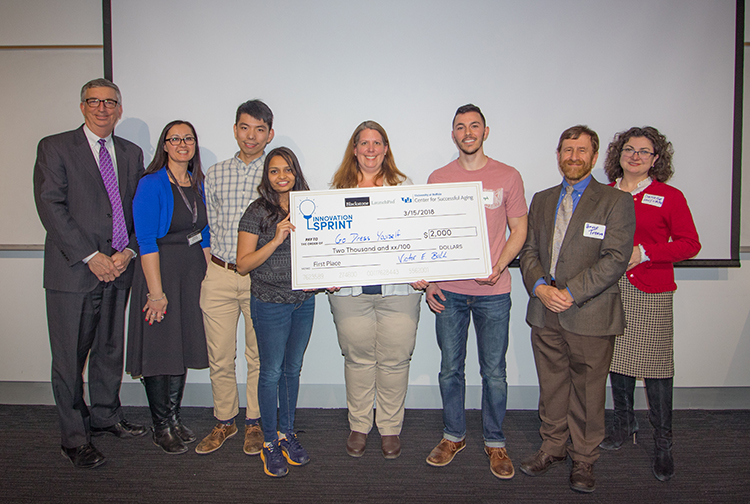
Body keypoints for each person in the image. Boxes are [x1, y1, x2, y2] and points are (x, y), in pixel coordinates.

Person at [33, 78, 147, 469]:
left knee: (109, 350)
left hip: (119, 268)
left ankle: (105, 415)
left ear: (119, 108)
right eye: (94, 101)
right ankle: (73, 437)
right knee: (68, 359)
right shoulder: (55, 147)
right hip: (73, 273)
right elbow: (51, 206)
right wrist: (90, 256)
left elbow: (139, 211)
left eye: (110, 102)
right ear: (82, 106)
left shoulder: (131, 153)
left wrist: (128, 251)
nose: (102, 108)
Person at [518, 125, 635, 493]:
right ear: (558, 155)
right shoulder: (541, 199)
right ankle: (552, 446)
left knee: (588, 390)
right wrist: (539, 287)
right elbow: (529, 252)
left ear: (595, 157)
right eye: (567, 150)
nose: (573, 157)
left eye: (581, 150)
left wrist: (568, 292)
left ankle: (584, 457)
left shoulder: (615, 202)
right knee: (552, 386)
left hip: (590, 312)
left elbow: (616, 259)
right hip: (545, 312)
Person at [419, 104, 527, 480]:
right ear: (453, 135)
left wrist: (499, 266)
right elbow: (430, 235)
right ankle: (453, 436)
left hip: (494, 291)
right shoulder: (438, 178)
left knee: (494, 372)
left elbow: (520, 230)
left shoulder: (508, 176)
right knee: (451, 370)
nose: (468, 132)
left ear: (485, 131)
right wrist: (431, 279)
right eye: (460, 127)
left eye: (474, 126)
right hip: (449, 292)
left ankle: (495, 442)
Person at [599, 126, 700, 482]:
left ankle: (663, 442)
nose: (636, 156)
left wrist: (646, 253)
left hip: (650, 290)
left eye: (644, 151)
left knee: (657, 367)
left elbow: (690, 244)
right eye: (629, 149)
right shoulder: (604, 195)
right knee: (617, 359)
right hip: (609, 289)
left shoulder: (669, 196)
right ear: (619, 155)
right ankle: (623, 425)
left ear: (656, 159)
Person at [328, 121, 423, 460]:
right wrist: (325, 270)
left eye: (377, 143)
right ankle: (359, 425)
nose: (370, 149)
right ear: (354, 149)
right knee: (357, 359)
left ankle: (390, 428)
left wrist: (422, 270)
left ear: (386, 149)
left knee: (395, 360)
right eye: (364, 143)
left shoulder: (404, 186)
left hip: (399, 291)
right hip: (349, 293)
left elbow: (418, 236)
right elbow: (326, 244)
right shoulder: (335, 190)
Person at [126, 120, 211, 454]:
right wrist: (156, 293)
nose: (182, 144)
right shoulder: (151, 184)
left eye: (188, 138)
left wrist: (210, 278)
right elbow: (146, 240)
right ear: (164, 145)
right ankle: (160, 425)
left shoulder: (197, 183)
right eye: (175, 138)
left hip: (190, 274)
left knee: (180, 347)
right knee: (160, 348)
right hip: (159, 273)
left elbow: (203, 234)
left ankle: (174, 419)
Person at [196, 100, 273, 456]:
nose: (251, 135)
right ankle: (225, 420)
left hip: (260, 278)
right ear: (235, 130)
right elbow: (210, 224)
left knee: (258, 356)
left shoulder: (276, 175)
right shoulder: (215, 172)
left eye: (260, 129)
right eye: (245, 127)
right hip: (220, 274)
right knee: (220, 355)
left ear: (269, 134)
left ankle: (255, 422)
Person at [236, 147, 315, 478]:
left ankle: (287, 433)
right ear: (266, 176)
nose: (282, 175)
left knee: (292, 369)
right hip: (269, 302)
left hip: (303, 301)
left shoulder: (310, 207)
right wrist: (276, 238)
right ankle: (269, 441)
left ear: (296, 172)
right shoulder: (257, 212)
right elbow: (243, 265)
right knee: (270, 372)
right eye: (274, 170)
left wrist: (330, 276)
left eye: (288, 169)